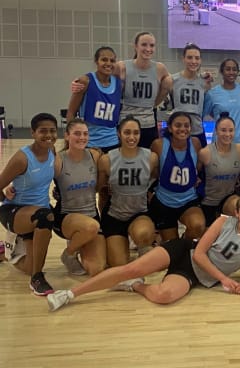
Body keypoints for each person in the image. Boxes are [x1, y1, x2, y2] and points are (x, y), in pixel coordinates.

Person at [47, 195, 240, 311]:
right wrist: (224, 279)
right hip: (184, 252)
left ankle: (134, 286)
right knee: (130, 268)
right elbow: (200, 253)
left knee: (164, 296)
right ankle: (69, 294)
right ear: (237, 213)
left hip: (192, 275)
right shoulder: (223, 222)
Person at [0, 113, 58, 295]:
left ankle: (5, 251)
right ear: (33, 133)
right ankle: (37, 279)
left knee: (28, 267)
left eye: (52, 131)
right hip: (15, 211)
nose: (48, 135)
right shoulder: (22, 158)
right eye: (43, 131)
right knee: (46, 217)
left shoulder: (52, 151)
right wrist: (4, 198)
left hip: (39, 213)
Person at [98, 116, 158, 266]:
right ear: (119, 133)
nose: (132, 137)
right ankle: (120, 242)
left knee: (143, 234)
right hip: (114, 215)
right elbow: (101, 191)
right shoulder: (106, 159)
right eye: (127, 132)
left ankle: (144, 246)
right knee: (118, 265)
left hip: (139, 213)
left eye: (136, 133)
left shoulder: (151, 157)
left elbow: (153, 181)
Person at [53, 119, 107, 275]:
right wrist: (12, 190)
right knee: (91, 227)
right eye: (77, 134)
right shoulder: (58, 159)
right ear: (67, 136)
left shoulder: (95, 155)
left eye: (85, 134)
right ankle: (69, 254)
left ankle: (81, 240)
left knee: (96, 268)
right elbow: (37, 179)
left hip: (91, 215)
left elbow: (102, 183)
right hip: (66, 217)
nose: (82, 137)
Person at [149, 112, 205, 241]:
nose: (182, 129)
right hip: (164, 202)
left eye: (186, 125)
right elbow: (154, 173)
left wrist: (195, 178)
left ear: (191, 128)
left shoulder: (195, 143)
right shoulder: (159, 145)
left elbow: (197, 169)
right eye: (178, 125)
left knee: (198, 226)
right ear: (170, 128)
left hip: (188, 199)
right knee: (171, 246)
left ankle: (185, 241)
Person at [119, 32, 173, 148]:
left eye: (152, 45)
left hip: (148, 124)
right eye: (144, 45)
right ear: (135, 46)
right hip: (126, 123)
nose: (148, 49)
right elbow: (101, 77)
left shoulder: (160, 68)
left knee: (148, 160)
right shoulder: (122, 66)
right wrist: (82, 80)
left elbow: (175, 82)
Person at [66, 46, 122, 152]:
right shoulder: (85, 81)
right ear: (96, 61)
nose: (108, 63)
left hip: (112, 142)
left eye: (112, 60)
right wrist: (71, 139)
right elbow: (71, 113)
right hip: (89, 142)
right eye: (104, 59)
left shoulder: (119, 84)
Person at [197, 113, 240, 226]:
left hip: (229, 197)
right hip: (208, 201)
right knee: (207, 236)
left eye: (231, 130)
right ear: (216, 131)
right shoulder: (205, 152)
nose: (227, 134)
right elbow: (194, 173)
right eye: (223, 130)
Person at [203, 58, 240, 146]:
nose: (231, 72)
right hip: (219, 143)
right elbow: (205, 114)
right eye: (228, 69)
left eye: (234, 69)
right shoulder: (212, 93)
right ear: (222, 72)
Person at [171, 43, 210, 147]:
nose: (193, 61)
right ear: (183, 59)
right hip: (179, 131)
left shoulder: (204, 82)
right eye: (189, 57)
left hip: (197, 130)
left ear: (200, 60)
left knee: (201, 162)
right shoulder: (173, 80)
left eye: (197, 58)